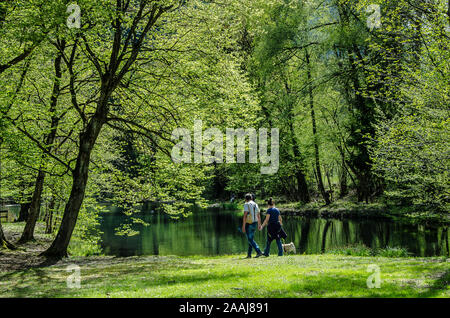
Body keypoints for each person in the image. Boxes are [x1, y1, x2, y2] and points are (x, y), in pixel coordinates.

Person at [242, 193, 263, 258]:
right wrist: (259, 224)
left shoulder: (246, 204)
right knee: (250, 239)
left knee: (250, 239)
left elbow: (245, 215)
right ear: (251, 198)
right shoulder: (255, 204)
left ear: (246, 199)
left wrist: (243, 226)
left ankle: (258, 251)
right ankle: (249, 254)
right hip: (255, 223)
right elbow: (258, 215)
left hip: (249, 223)